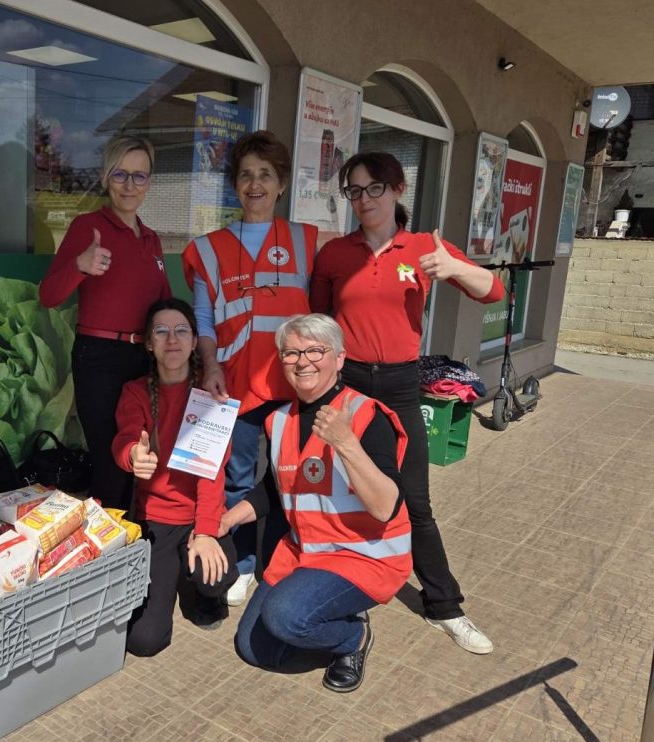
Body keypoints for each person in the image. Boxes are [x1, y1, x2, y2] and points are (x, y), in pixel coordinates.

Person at [310, 151, 505, 655]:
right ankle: (345, 595)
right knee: (344, 490)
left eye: (374, 187)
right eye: (354, 190)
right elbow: (318, 322)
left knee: (414, 499)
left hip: (400, 385)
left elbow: (494, 292)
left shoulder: (422, 247)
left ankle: (445, 606)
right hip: (348, 384)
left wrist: (455, 267)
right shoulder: (334, 254)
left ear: (397, 189)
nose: (364, 199)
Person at [225, 313, 411, 692]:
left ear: (339, 358)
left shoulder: (365, 415)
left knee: (286, 617)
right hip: (305, 553)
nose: (302, 361)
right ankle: (325, 611)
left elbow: (385, 507)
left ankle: (352, 638)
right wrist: (225, 520)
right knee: (254, 649)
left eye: (315, 351)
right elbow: (273, 490)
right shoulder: (278, 421)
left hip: (363, 556)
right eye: (291, 353)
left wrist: (345, 443)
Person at [182, 130, 317, 607]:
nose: (255, 185)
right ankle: (240, 564)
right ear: (235, 185)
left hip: (294, 384)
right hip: (233, 383)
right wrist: (210, 365)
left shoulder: (307, 241)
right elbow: (203, 318)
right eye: (245, 175)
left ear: (282, 184)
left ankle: (281, 561)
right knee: (237, 477)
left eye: (265, 175)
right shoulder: (209, 247)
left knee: (289, 479)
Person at [40, 136, 171, 510]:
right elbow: (48, 295)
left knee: (141, 454)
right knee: (110, 461)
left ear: (149, 182)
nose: (130, 185)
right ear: (104, 177)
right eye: (120, 174)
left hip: (144, 360)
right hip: (100, 359)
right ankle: (112, 539)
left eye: (139, 176)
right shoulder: (88, 227)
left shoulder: (152, 239)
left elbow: (164, 304)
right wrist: (80, 266)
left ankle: (136, 534)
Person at [112, 298, 239, 656]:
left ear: (195, 341)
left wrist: (207, 532)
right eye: (161, 331)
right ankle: (178, 572)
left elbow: (212, 474)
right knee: (144, 641)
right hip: (155, 522)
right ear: (148, 343)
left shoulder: (210, 394)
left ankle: (202, 592)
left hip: (199, 516)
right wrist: (132, 455)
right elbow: (125, 439)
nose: (172, 339)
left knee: (214, 577)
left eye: (182, 330)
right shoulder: (135, 391)